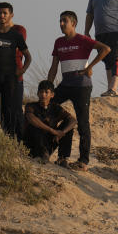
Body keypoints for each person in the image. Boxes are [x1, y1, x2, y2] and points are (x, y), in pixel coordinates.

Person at [47, 11, 111, 170]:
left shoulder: (82, 39)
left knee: (83, 123)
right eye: (60, 21)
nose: (61, 24)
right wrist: (47, 87)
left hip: (82, 86)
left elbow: (106, 49)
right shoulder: (58, 42)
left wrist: (90, 67)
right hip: (65, 85)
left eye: (65, 21)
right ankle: (60, 156)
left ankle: (83, 161)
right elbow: (54, 67)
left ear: (73, 23)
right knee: (48, 110)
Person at [0, 2, 32, 137]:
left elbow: (28, 57)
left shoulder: (16, 35)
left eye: (5, 13)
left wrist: (22, 70)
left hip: (10, 79)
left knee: (11, 110)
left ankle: (14, 140)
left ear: (11, 15)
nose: (1, 15)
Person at [22, 81, 76, 162]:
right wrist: (53, 131)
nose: (43, 95)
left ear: (52, 95)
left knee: (68, 127)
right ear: (37, 93)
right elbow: (31, 118)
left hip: (49, 142)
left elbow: (73, 120)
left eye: (46, 92)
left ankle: (62, 159)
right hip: (32, 145)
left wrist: (61, 133)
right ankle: (41, 154)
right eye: (41, 92)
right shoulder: (31, 106)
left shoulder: (55, 108)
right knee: (37, 126)